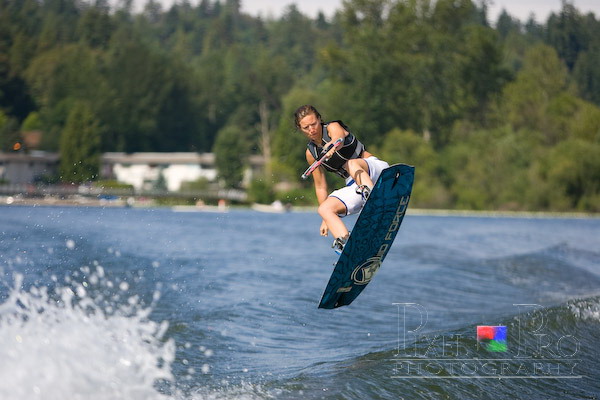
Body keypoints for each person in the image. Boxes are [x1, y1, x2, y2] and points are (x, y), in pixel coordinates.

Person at [294, 105, 389, 254]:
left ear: (319, 119)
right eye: (306, 127)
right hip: (355, 185)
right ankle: (348, 247)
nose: (311, 129)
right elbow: (320, 186)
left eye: (314, 124)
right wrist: (326, 219)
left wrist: (333, 145)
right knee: (324, 209)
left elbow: (339, 138)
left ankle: (373, 202)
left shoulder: (332, 127)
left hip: (374, 170)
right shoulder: (311, 153)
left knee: (350, 163)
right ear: (300, 129)